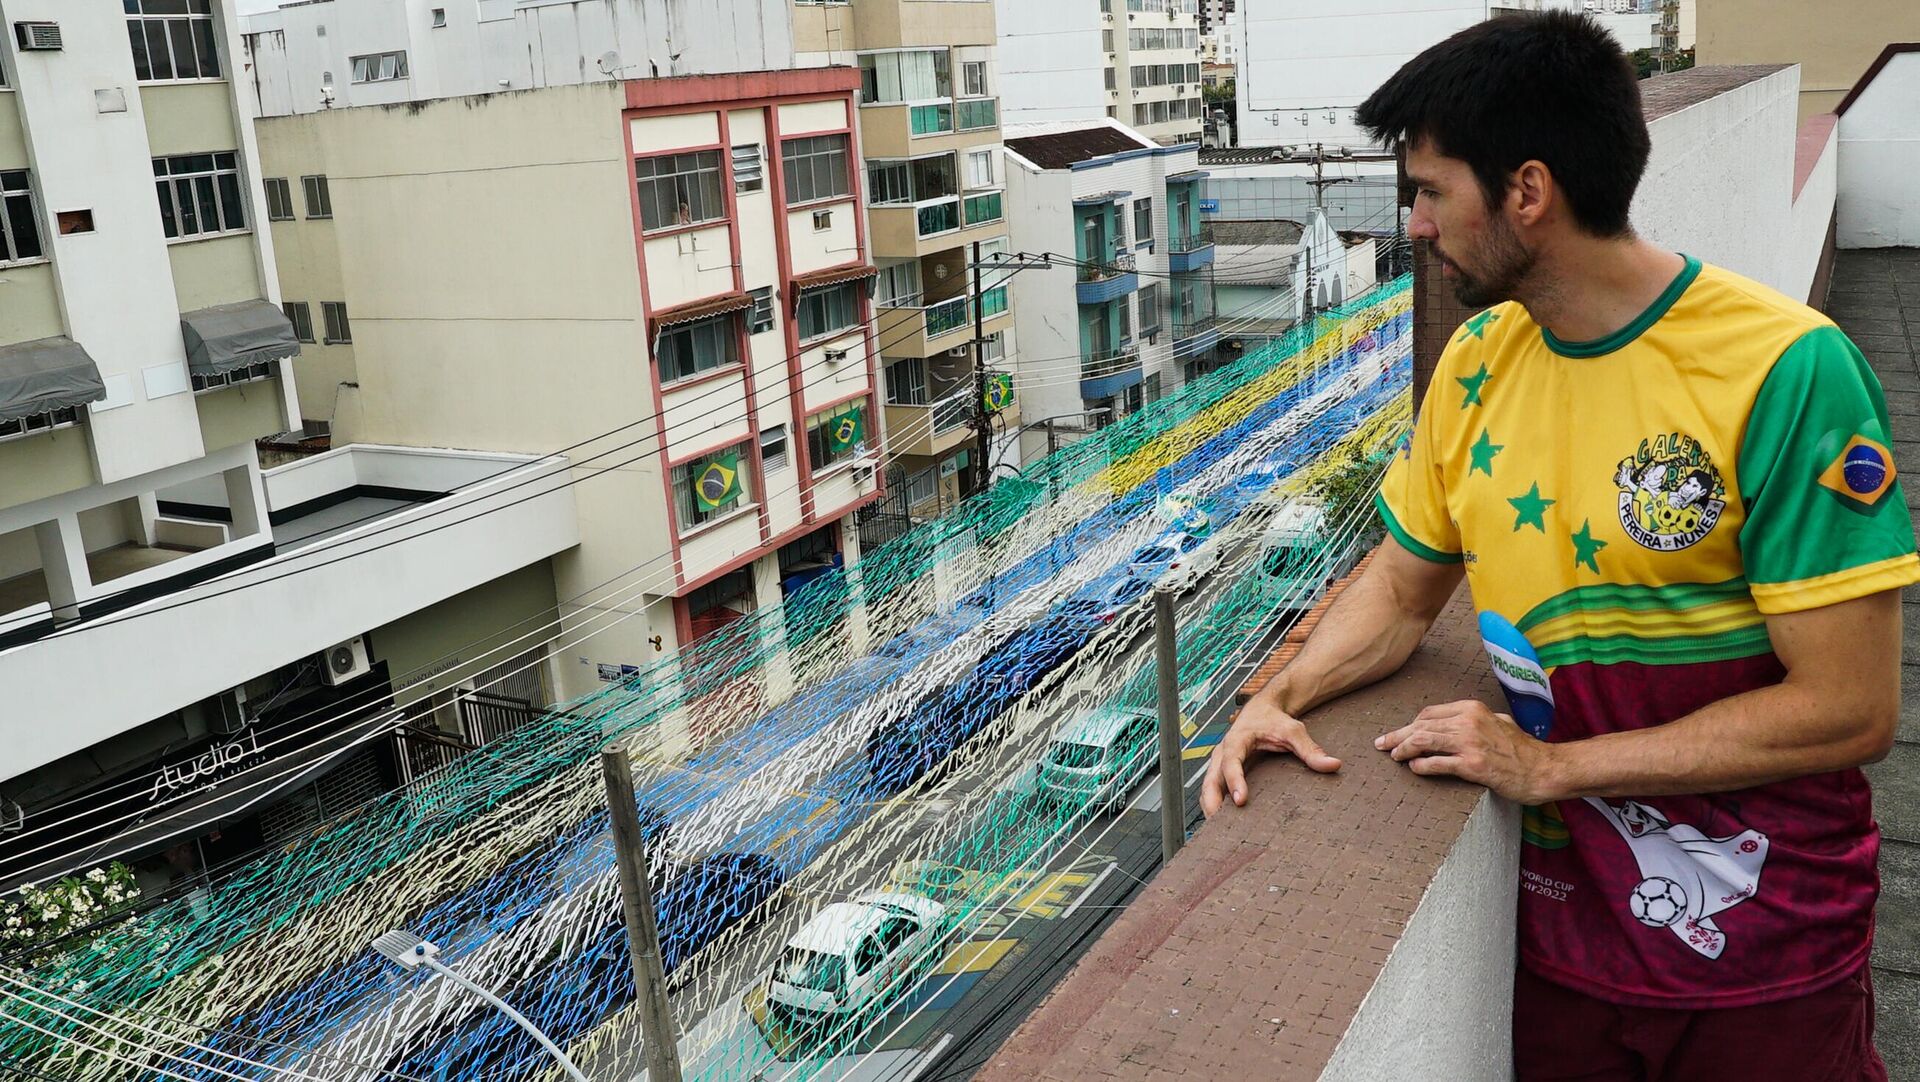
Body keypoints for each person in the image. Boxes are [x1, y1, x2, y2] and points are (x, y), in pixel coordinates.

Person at [1199, 12, 1914, 1081]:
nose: (1420, 227)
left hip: (1765, 954)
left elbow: (1852, 705)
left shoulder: (1789, 369)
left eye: (1433, 191)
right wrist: (1280, 695)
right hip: (1566, 953)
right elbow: (1400, 591)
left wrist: (1553, 766)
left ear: (1528, 192)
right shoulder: (1479, 359)